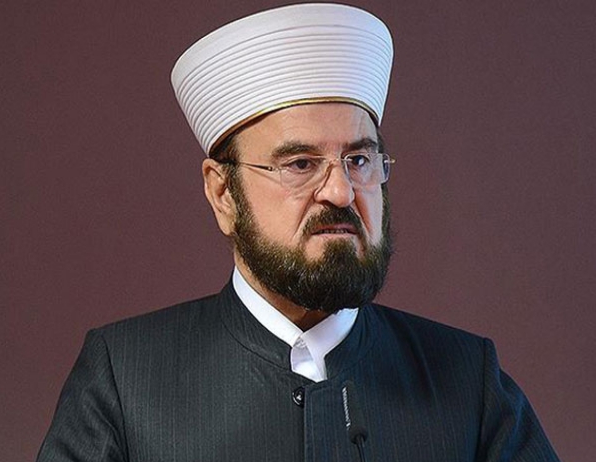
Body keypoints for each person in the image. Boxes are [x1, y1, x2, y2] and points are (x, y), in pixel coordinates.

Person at [37, 4, 559, 461]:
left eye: (359, 160)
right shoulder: (125, 380)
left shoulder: (467, 381)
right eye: (301, 164)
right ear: (223, 193)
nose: (341, 192)